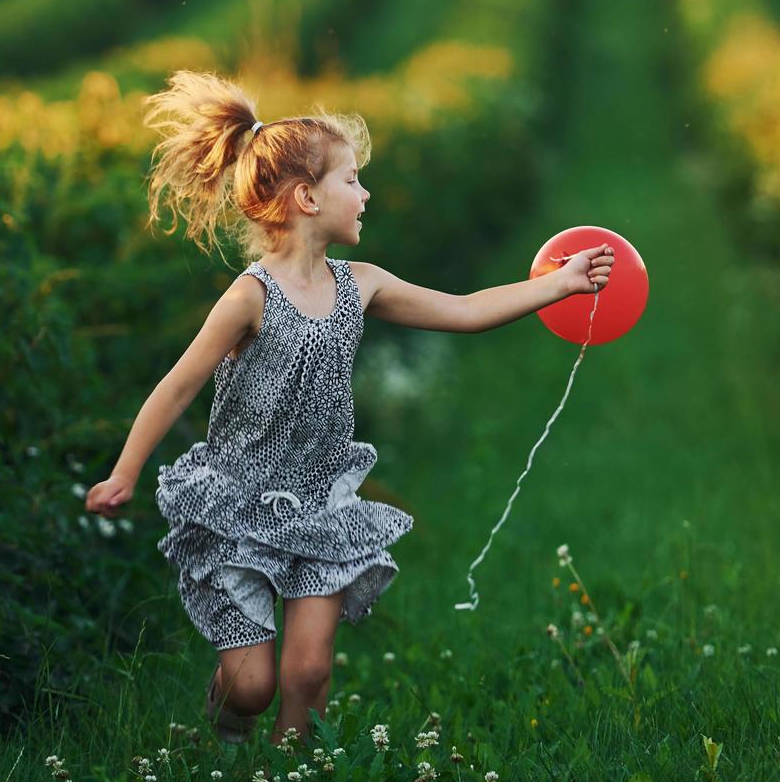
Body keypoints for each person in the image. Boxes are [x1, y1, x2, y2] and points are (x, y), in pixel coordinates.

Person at [85, 69, 613, 747]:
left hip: (322, 505)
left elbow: (466, 311)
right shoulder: (250, 298)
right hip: (239, 505)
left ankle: (291, 781)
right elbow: (178, 385)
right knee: (253, 686)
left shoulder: (360, 284)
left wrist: (560, 285)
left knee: (307, 672)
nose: (365, 195)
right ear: (307, 196)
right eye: (352, 181)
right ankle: (223, 726)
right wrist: (126, 472)